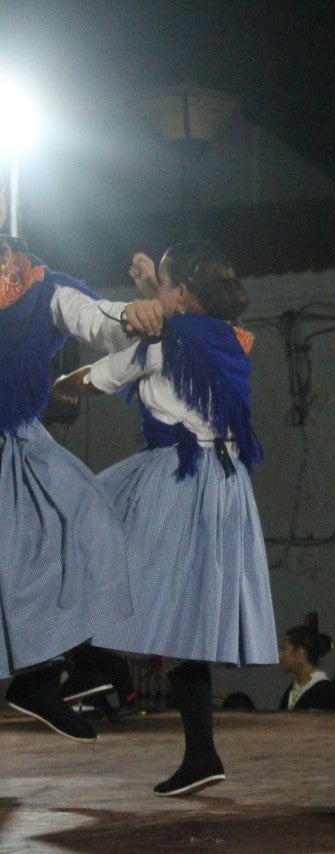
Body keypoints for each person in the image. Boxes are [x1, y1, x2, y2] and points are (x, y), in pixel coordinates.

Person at [52, 240, 276, 796]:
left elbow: (100, 375)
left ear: (182, 295)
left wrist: (54, 387)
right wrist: (157, 284)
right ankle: (201, 754)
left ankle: (92, 668)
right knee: (190, 622)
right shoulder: (231, 336)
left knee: (76, 528)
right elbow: (182, 326)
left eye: (168, 286)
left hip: (178, 475)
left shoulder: (165, 342)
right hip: (226, 486)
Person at [0, 195, 162, 743]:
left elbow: (96, 318)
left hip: (18, 438)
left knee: (89, 521)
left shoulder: (40, 283)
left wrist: (132, 313)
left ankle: (55, 670)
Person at [278, 625, 335, 711]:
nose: (280, 655)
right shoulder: (290, 692)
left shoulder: (328, 693)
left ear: (300, 653)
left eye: (284, 649)